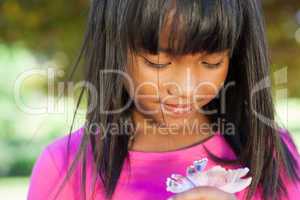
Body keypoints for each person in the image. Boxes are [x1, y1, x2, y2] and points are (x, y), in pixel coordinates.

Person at [27, 0, 300, 199]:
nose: (186, 87)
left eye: (211, 62)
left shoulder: (267, 148)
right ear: (113, 47)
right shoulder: (65, 165)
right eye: (158, 63)